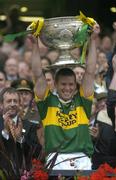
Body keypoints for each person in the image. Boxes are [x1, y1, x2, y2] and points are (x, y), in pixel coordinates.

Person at [30, 23, 100, 170]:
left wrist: (93, 40)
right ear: (54, 84)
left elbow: (90, 71)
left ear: (76, 85)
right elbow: (37, 74)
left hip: (82, 159)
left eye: (70, 85)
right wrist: (35, 44)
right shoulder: (47, 102)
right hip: (56, 159)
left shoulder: (83, 101)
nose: (67, 88)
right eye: (63, 84)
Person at [0, 87, 23, 177]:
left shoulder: (29, 125)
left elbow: (34, 152)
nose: (13, 104)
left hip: (23, 174)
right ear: (1, 104)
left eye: (15, 101)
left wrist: (19, 139)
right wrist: (5, 131)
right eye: (9, 101)